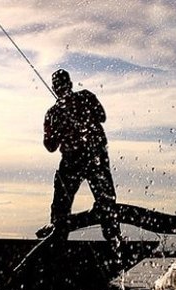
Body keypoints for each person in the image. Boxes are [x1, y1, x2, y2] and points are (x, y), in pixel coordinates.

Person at [42, 69, 121, 250]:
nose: (61, 89)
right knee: (61, 206)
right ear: (54, 89)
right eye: (58, 86)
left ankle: (114, 242)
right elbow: (50, 146)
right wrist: (60, 128)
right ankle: (57, 243)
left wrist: (80, 115)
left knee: (106, 201)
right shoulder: (53, 113)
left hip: (95, 156)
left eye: (63, 85)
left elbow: (102, 116)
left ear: (70, 85)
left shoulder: (85, 97)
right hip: (71, 160)